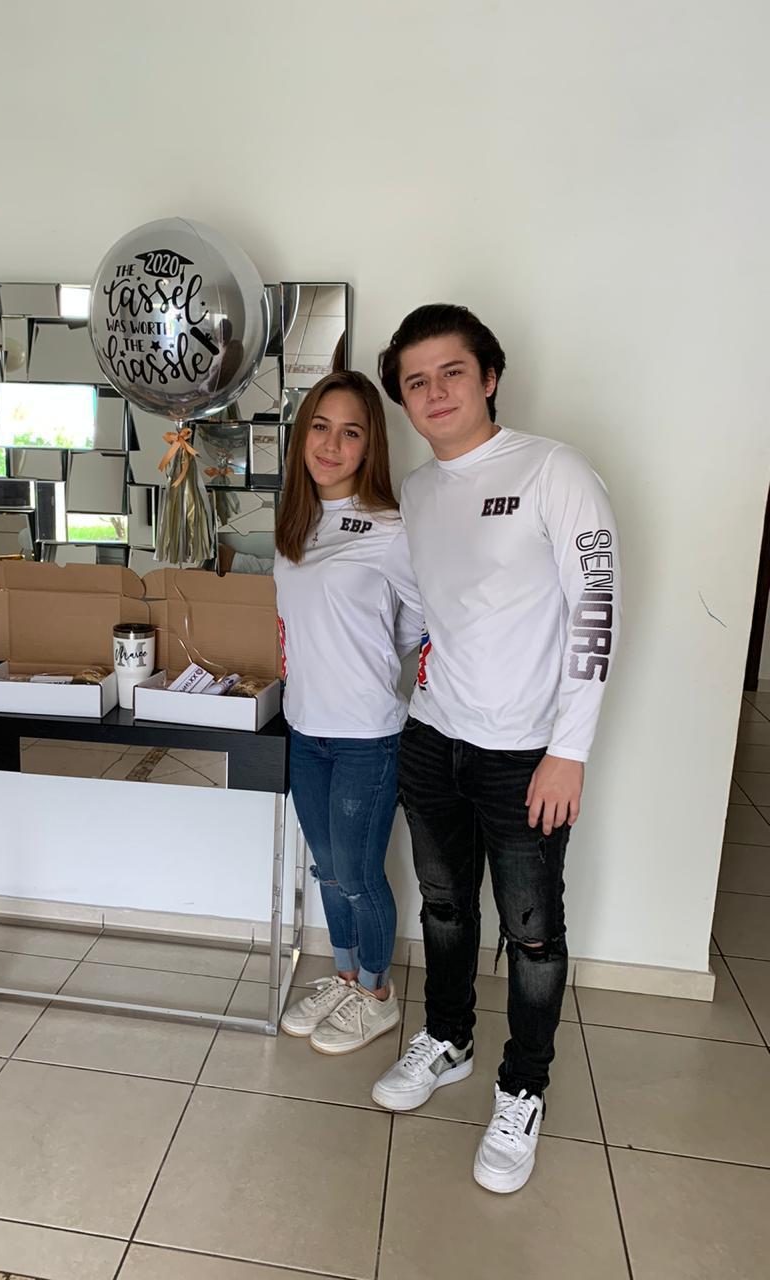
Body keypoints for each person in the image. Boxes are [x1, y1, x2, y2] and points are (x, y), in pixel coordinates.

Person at [371, 305, 618, 1193]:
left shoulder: (555, 471)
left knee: (532, 932)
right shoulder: (417, 491)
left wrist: (569, 750)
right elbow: (423, 609)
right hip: (434, 737)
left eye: (451, 372)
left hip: (527, 756)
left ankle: (523, 1087)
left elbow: (596, 612)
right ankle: (449, 1040)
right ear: (404, 400)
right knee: (443, 908)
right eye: (415, 382)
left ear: (489, 377)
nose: (434, 393)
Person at [274, 369, 424, 1054]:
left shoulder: (392, 529)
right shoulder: (295, 525)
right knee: (328, 872)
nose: (331, 445)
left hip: (367, 735)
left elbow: (419, 618)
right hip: (306, 730)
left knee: (361, 877)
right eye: (320, 427)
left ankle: (376, 994)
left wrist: (375, 656)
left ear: (370, 446)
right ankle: (343, 977)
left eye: (350, 432)